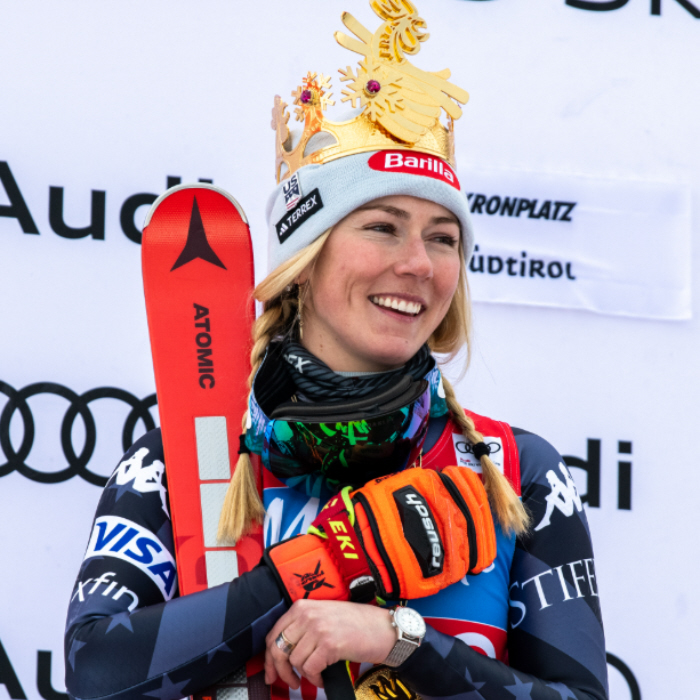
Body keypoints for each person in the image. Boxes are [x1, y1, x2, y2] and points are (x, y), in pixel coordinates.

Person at [64, 3, 608, 700]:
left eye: (443, 238)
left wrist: (402, 642)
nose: (418, 264)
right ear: (304, 259)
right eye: (382, 226)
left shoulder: (512, 471)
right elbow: (94, 672)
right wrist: (320, 562)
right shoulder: (187, 455)